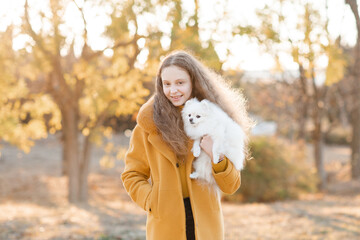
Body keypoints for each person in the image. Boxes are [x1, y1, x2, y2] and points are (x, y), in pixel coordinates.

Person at [121, 50, 252, 240]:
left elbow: (231, 185)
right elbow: (132, 175)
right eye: (167, 84)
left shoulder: (214, 120)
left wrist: (216, 156)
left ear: (193, 82)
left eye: (180, 83)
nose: (173, 90)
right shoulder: (147, 126)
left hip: (206, 225)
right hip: (165, 224)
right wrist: (152, 201)